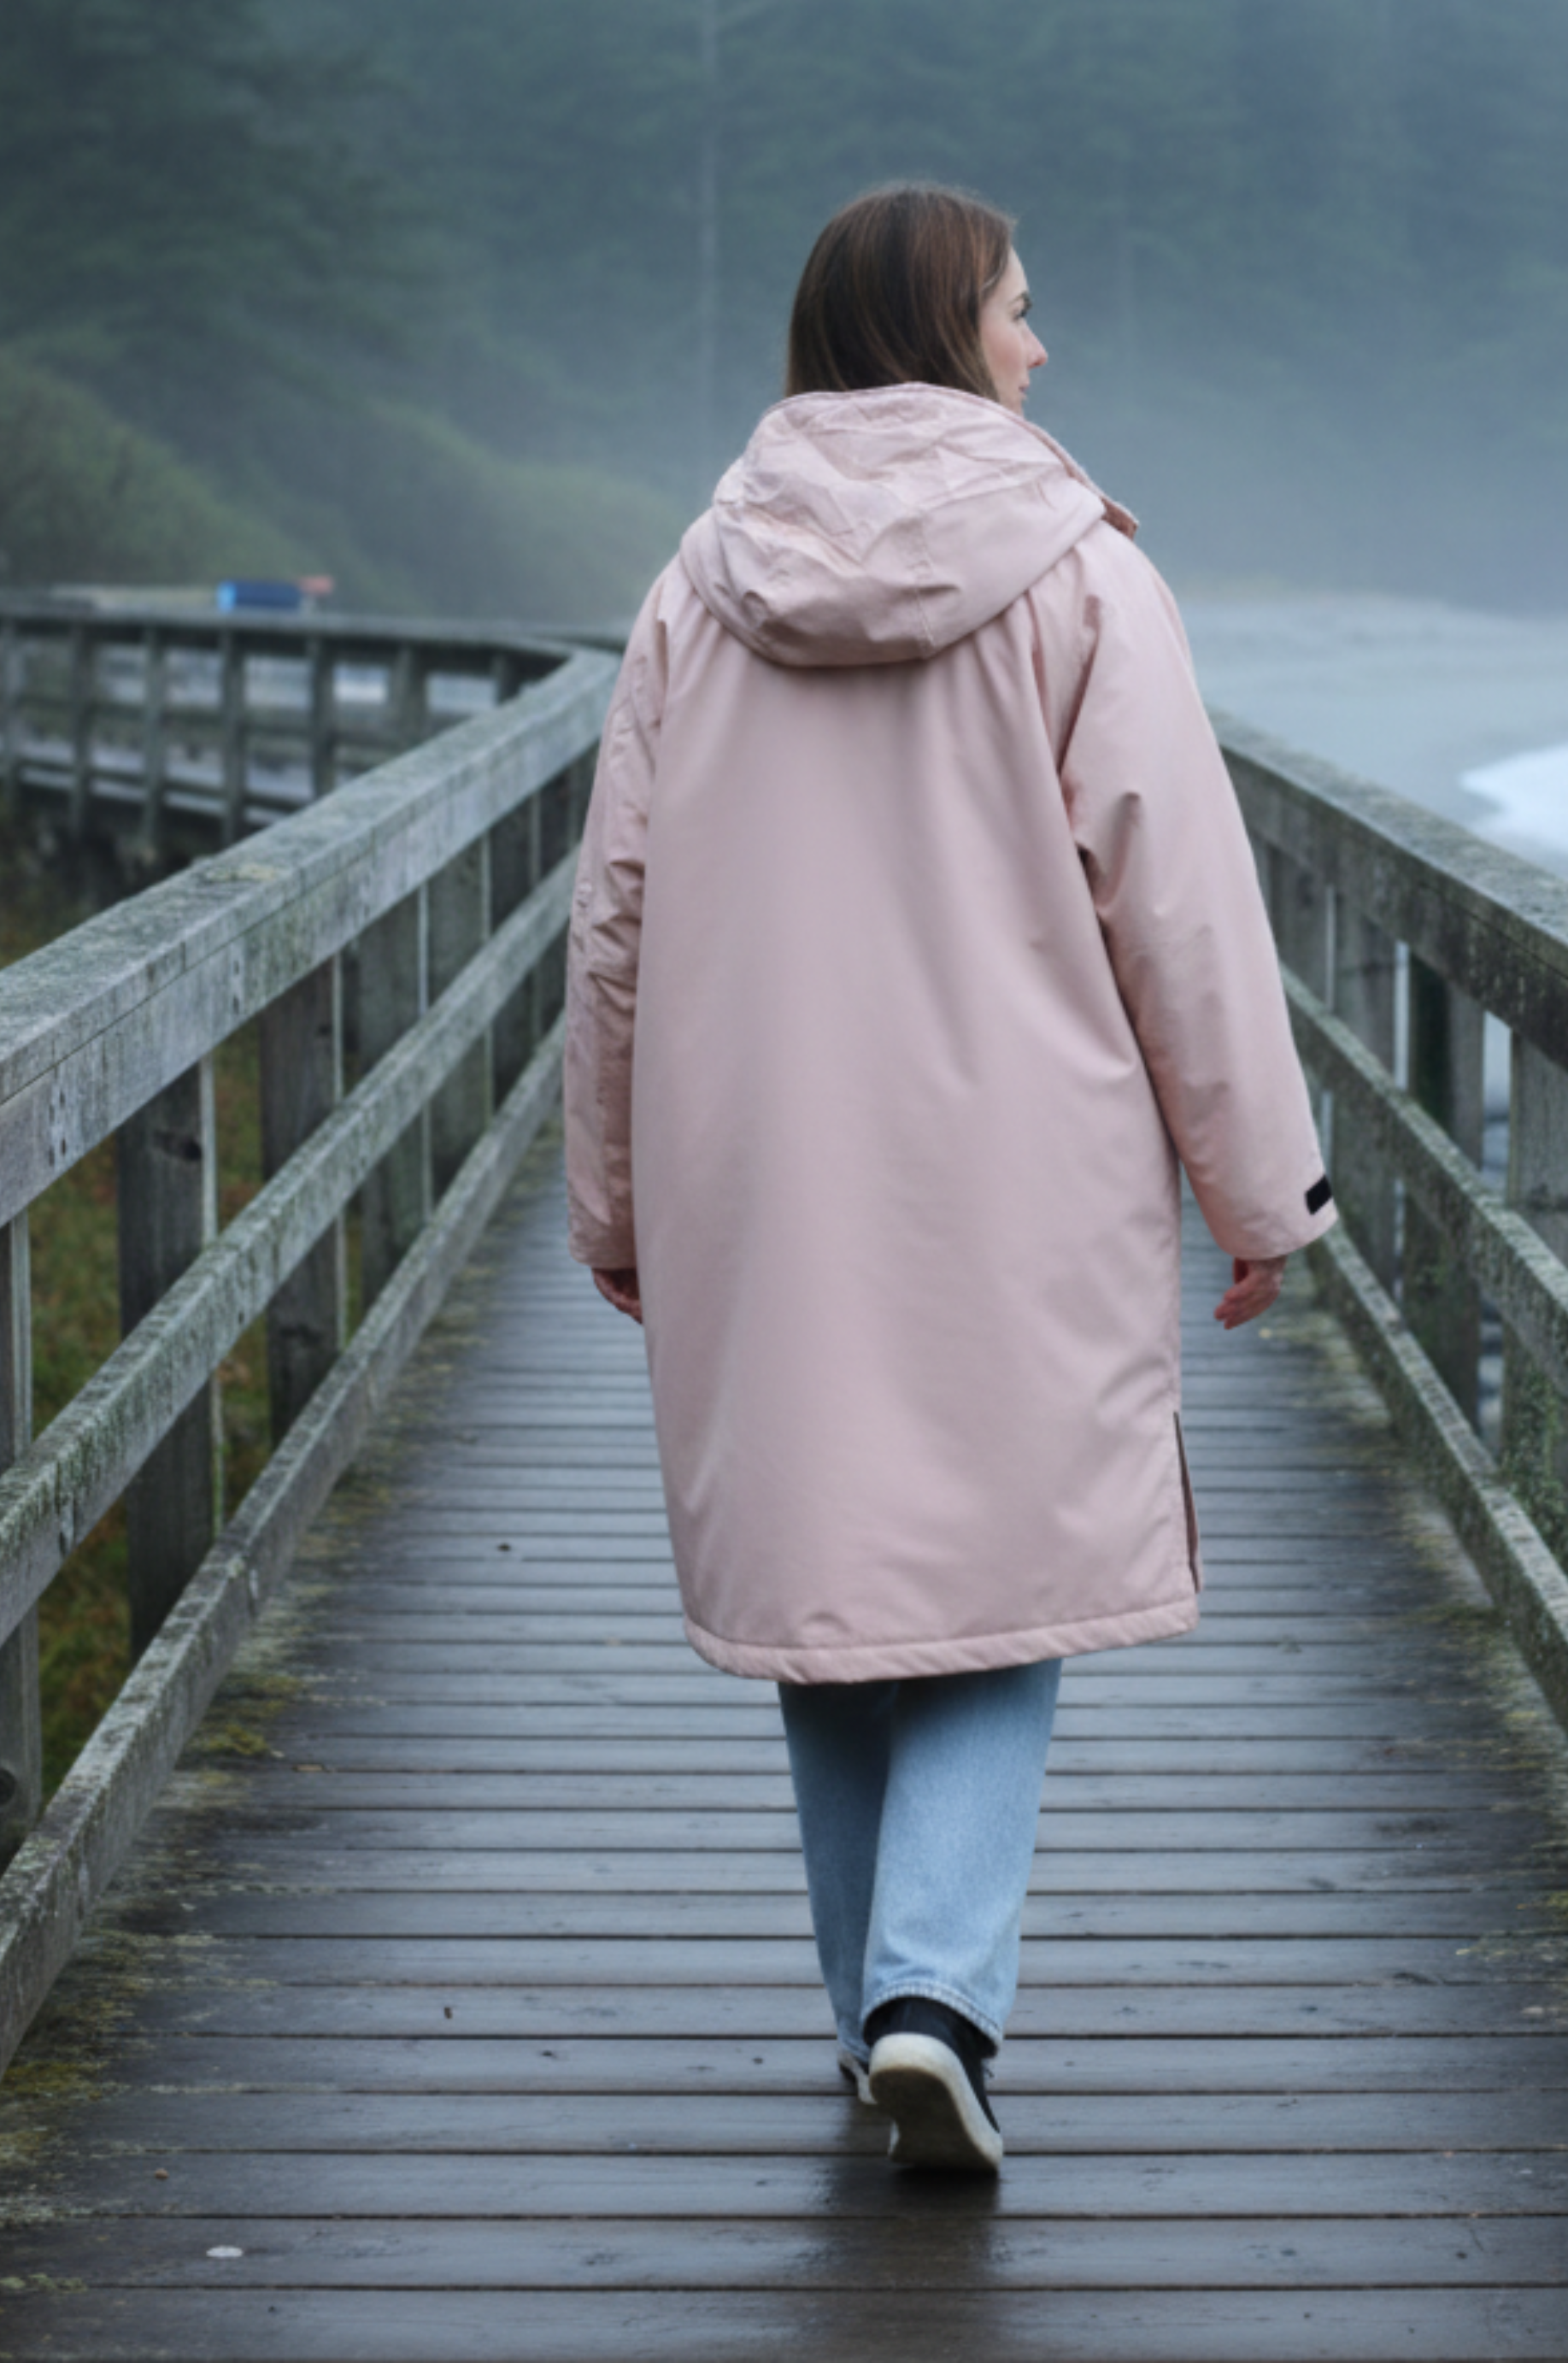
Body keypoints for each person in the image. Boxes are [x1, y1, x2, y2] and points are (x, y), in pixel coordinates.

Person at [565, 181, 1334, 2173]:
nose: (1039, 343)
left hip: (765, 1171)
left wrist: (616, 1200)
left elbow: (616, 922)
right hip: (1023, 1167)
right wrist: (1261, 1193)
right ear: (935, 328)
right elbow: (1181, 902)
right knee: (1001, 1576)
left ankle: (879, 2019)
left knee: (830, 1584)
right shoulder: (1083, 579)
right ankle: (930, 2002)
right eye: (1015, 306)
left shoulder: (694, 588)